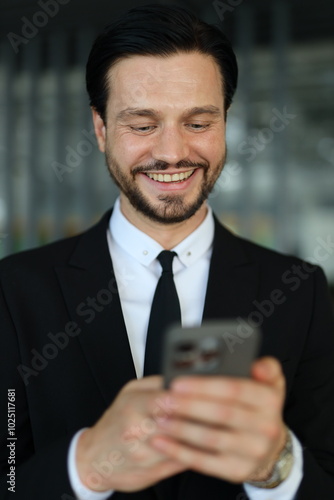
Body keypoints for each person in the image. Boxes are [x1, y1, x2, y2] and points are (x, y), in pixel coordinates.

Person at [1, 4, 334, 500]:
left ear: (225, 123)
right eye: (142, 125)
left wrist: (275, 466)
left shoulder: (300, 290)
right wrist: (86, 465)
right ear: (100, 130)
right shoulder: (13, 290)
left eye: (198, 123)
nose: (173, 152)